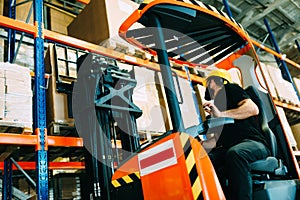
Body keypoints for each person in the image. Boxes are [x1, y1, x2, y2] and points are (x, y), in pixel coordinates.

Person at [202, 69, 270, 200]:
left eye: (208, 82)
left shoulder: (230, 89)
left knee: (236, 153)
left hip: (253, 143)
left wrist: (221, 115)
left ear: (216, 81)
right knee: (207, 160)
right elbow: (215, 141)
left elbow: (253, 109)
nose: (207, 87)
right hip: (229, 147)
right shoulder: (218, 108)